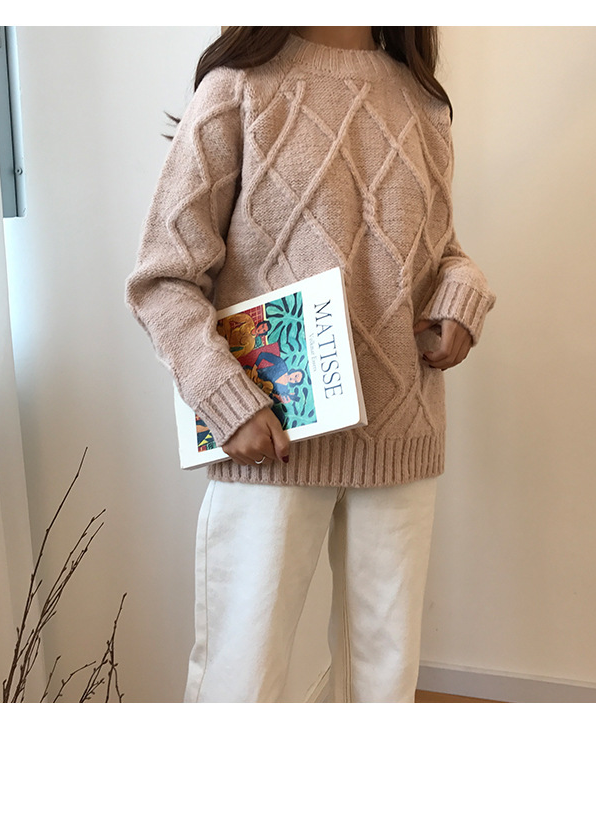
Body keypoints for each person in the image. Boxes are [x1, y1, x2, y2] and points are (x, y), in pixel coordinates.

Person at [126, 26, 495, 702]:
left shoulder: (422, 100)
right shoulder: (237, 89)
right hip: (271, 436)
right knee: (243, 677)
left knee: (383, 683)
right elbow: (164, 279)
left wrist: (461, 294)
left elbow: (439, 250)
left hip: (400, 434)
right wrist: (226, 399)